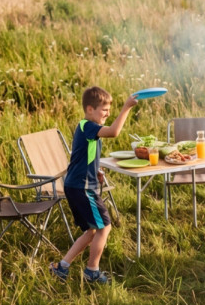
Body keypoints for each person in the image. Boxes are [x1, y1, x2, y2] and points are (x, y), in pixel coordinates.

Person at [49, 86, 139, 284]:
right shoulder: (88, 126)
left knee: (91, 230)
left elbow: (82, 155)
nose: (108, 113)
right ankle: (92, 272)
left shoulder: (85, 127)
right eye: (104, 110)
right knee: (104, 227)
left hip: (76, 184)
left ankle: (62, 267)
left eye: (109, 109)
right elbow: (114, 132)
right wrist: (126, 108)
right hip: (82, 188)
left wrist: (95, 169)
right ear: (90, 109)